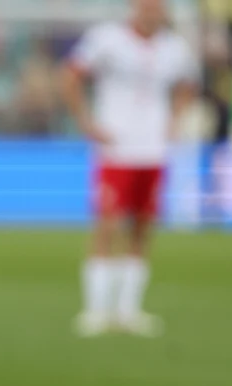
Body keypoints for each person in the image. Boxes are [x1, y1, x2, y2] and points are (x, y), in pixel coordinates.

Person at [61, 0, 198, 337]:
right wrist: (86, 121)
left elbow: (187, 85)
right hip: (116, 147)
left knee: (142, 226)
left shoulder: (175, 48)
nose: (154, 12)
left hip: (154, 150)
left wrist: (175, 119)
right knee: (107, 224)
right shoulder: (106, 39)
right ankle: (96, 310)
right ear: (135, 7)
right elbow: (70, 76)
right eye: (148, 6)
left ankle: (128, 310)